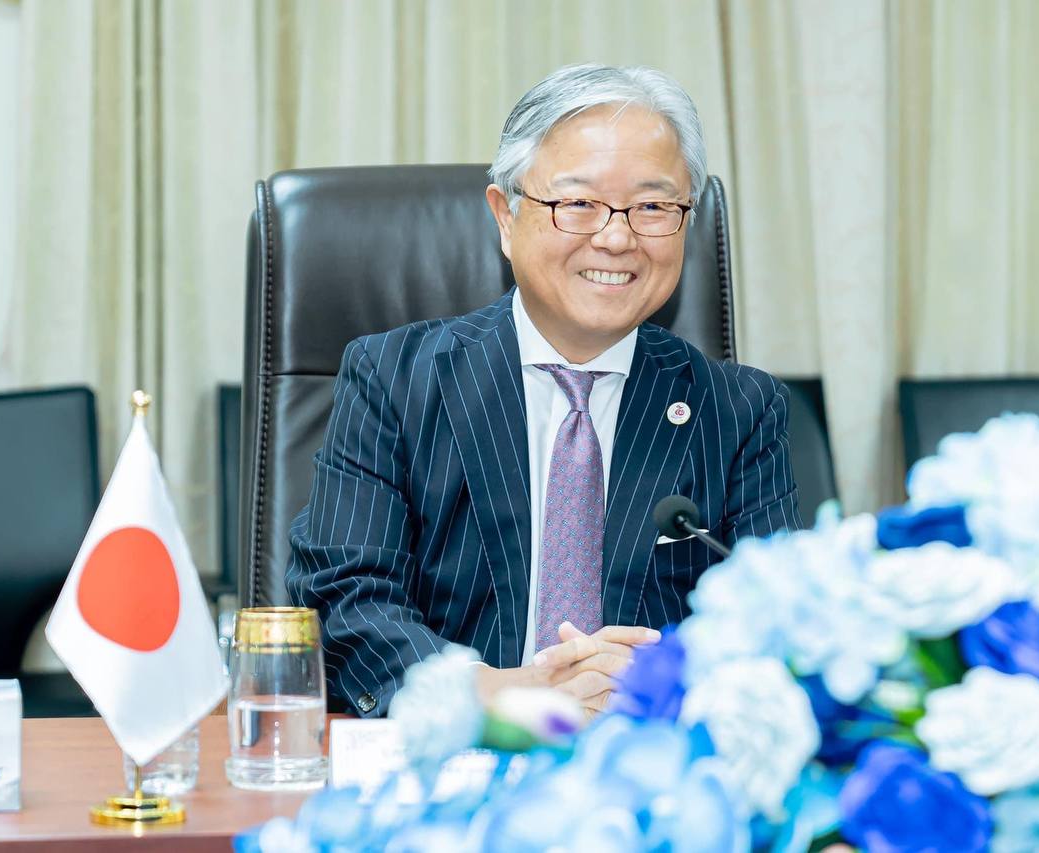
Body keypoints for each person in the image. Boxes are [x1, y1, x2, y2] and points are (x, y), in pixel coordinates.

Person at [287, 64, 799, 719]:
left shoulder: (741, 412)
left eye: (652, 207)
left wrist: (661, 680)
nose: (616, 237)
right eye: (578, 203)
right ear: (506, 216)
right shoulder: (395, 379)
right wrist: (497, 695)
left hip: (647, 754)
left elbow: (777, 624)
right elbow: (345, 598)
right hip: (460, 751)